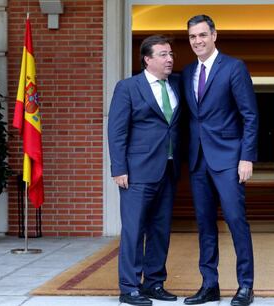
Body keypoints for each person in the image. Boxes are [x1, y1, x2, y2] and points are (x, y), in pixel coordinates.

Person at [182, 15, 258, 306]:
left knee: (236, 221)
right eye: (192, 37)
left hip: (228, 158)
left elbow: (250, 115)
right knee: (204, 224)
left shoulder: (234, 67)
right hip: (198, 160)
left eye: (202, 35)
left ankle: (245, 286)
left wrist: (246, 157)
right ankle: (209, 284)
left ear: (214, 35)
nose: (197, 41)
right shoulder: (188, 70)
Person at [108, 35, 181, 306]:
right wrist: (119, 167)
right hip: (136, 172)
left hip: (168, 170)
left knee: (160, 230)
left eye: (170, 54)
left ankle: (154, 283)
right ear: (147, 59)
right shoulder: (128, 87)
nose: (169, 58)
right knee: (134, 230)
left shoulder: (176, 84)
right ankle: (129, 287)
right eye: (163, 54)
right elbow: (116, 131)